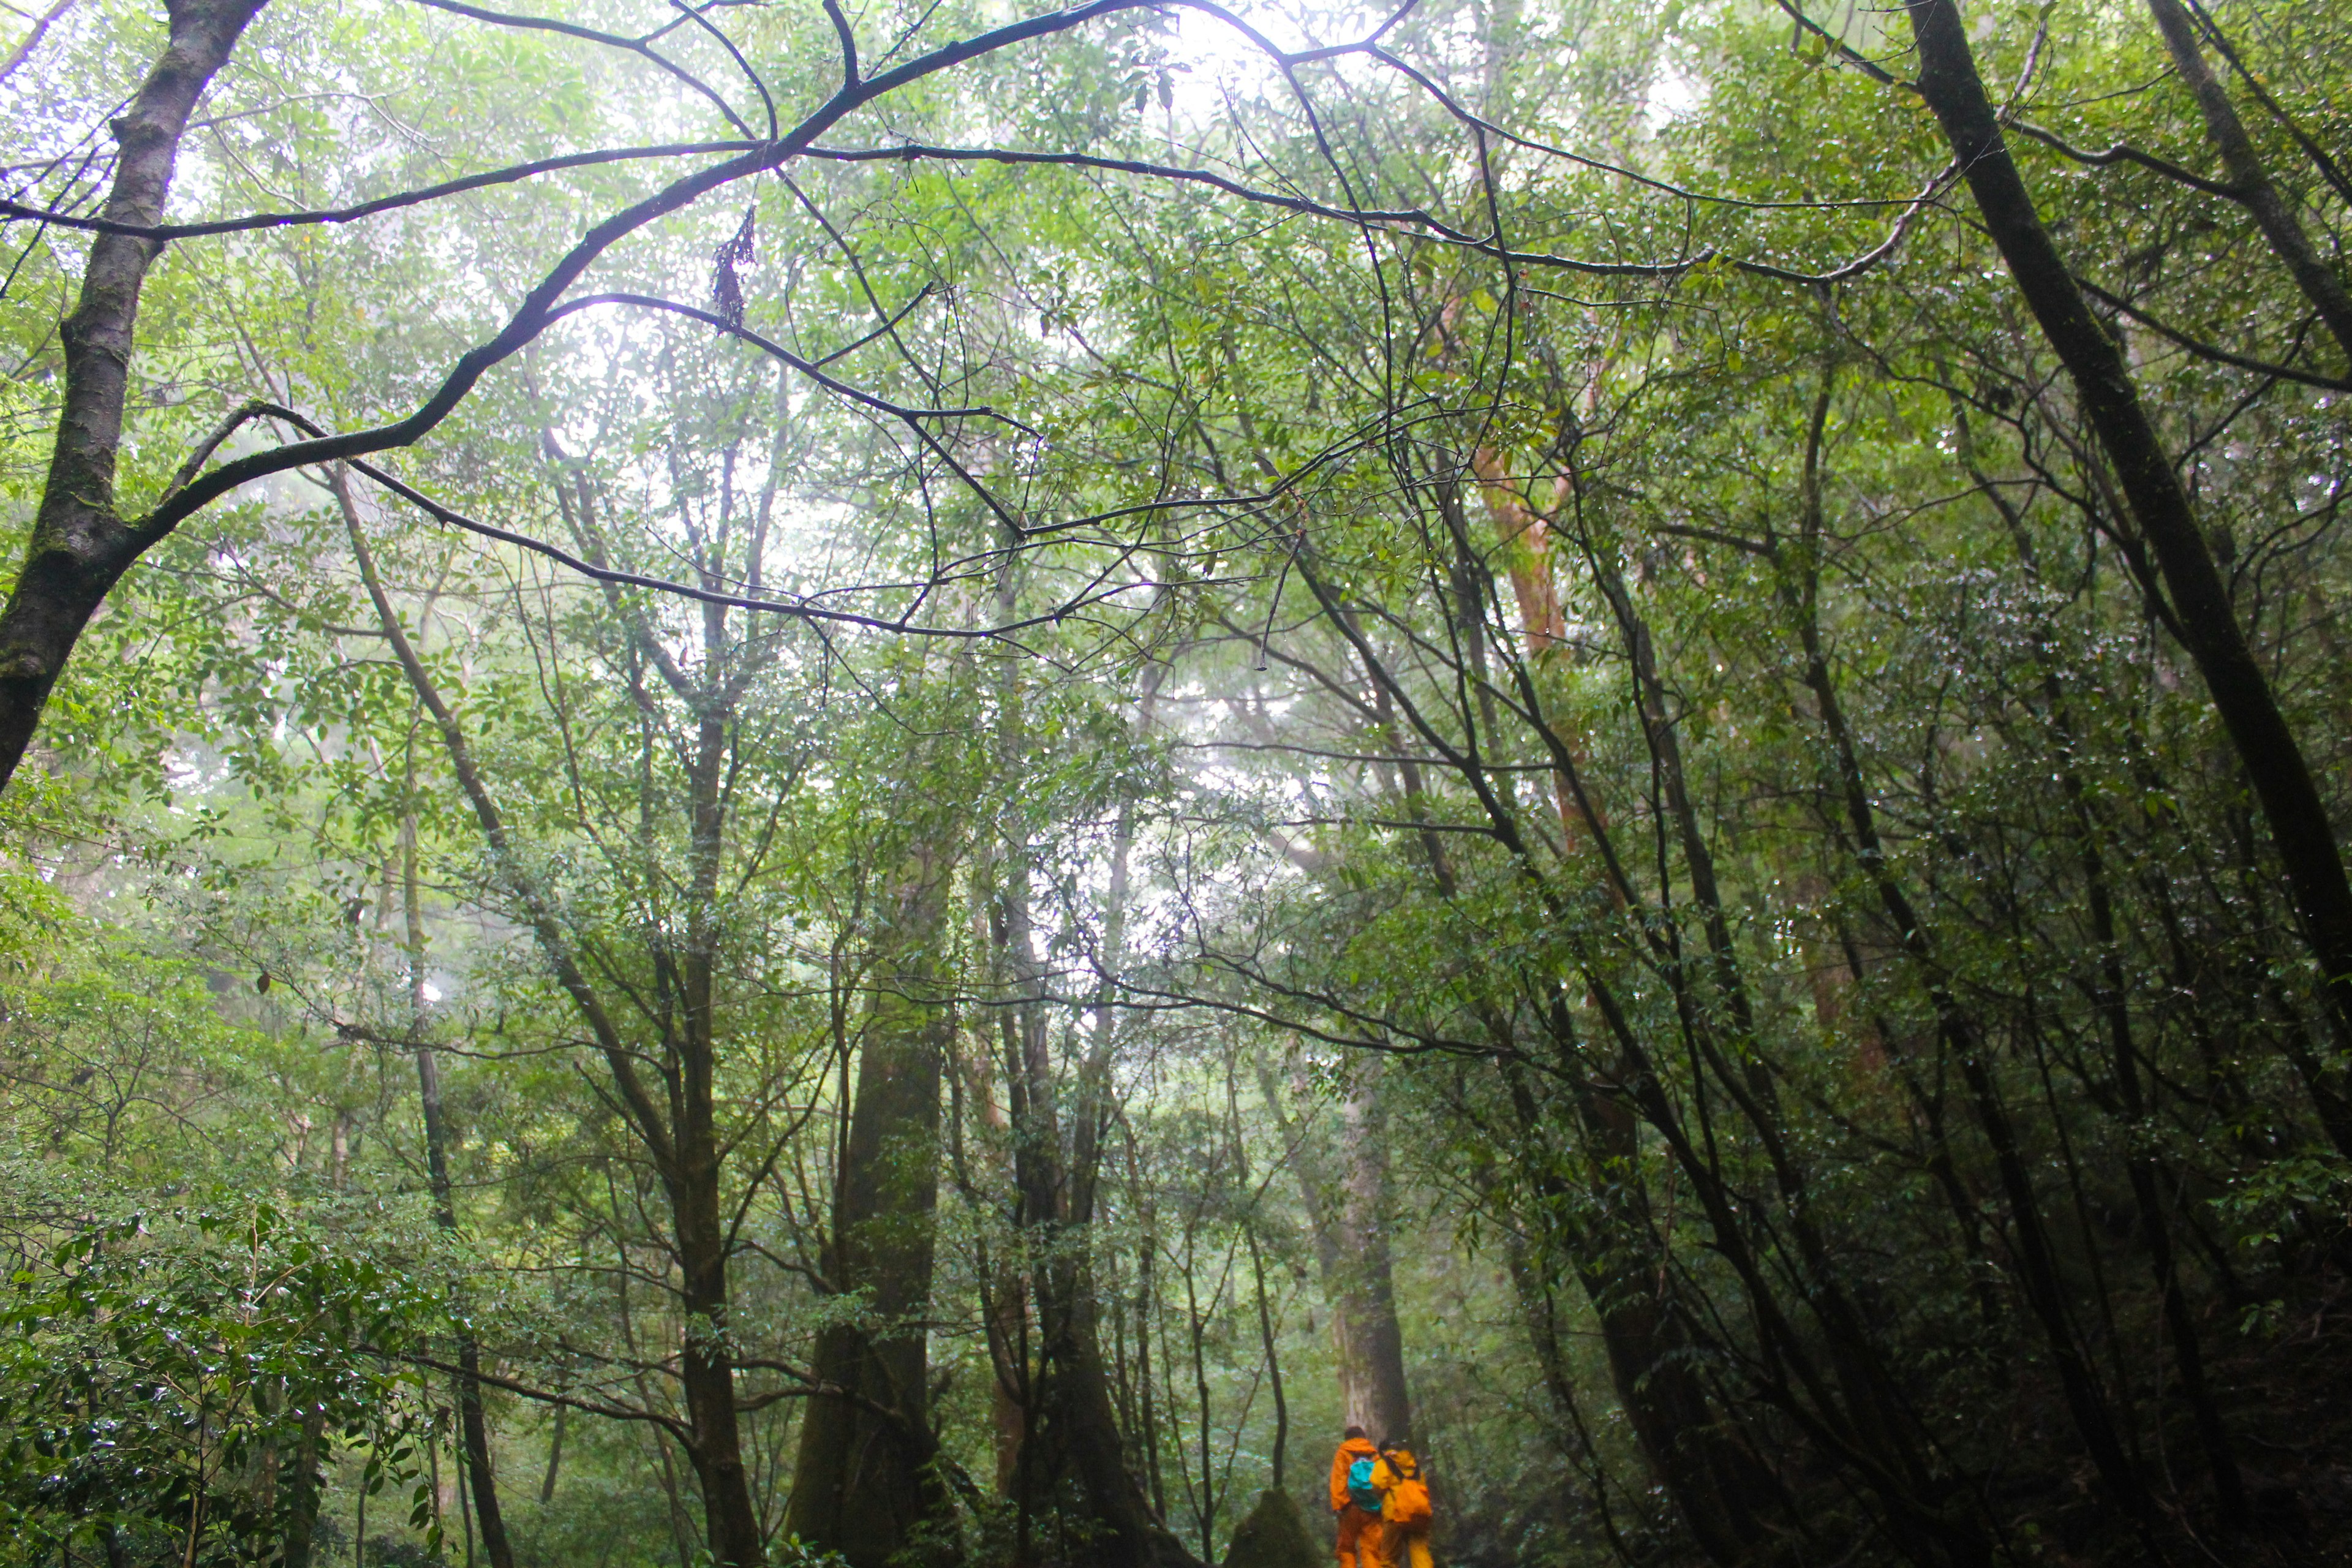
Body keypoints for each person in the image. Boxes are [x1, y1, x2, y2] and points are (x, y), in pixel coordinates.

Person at [1327, 1424, 1386, 1568]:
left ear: (1347, 1438)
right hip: (1372, 1508)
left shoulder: (1343, 1452)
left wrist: (1339, 1505)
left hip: (1350, 1507)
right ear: (1363, 1437)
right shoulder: (1374, 1455)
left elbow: (1339, 1479)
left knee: (1347, 1549)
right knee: (1372, 1550)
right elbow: (1381, 1481)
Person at [1372, 1438, 1433, 1568]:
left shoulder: (1383, 1463)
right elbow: (1423, 1487)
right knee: (1420, 1552)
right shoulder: (1413, 1464)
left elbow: (1379, 1485)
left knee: (1389, 1557)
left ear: (1383, 1451)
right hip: (1417, 1514)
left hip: (1394, 1513)